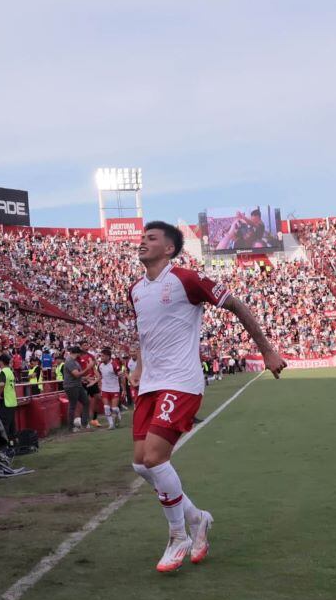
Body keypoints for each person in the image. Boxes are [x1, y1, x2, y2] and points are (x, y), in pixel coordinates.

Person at [128, 221, 286, 573]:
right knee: (140, 464)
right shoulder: (136, 290)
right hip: (152, 383)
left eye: (151, 238)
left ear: (169, 248)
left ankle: (178, 535)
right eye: (142, 238)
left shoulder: (186, 279)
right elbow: (146, 335)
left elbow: (237, 306)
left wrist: (268, 352)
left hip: (182, 382)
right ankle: (197, 519)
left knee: (155, 458)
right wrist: (139, 367)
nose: (143, 242)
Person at [0, 353, 18, 441]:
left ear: (1, 362)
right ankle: (12, 444)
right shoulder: (10, 371)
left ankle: (4, 447)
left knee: (3, 425)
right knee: (11, 425)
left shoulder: (3, 372)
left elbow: (2, 385)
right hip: (12, 401)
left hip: (5, 402)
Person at [62, 347, 90, 432]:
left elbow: (77, 376)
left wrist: (84, 378)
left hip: (77, 385)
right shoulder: (70, 361)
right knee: (72, 406)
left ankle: (84, 423)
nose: (81, 355)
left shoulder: (74, 361)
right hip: (71, 386)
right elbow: (76, 374)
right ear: (77, 353)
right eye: (80, 353)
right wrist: (88, 368)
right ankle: (71, 427)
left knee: (86, 402)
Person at [98, 348, 123, 429]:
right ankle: (111, 424)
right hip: (105, 389)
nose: (101, 358)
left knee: (114, 408)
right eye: (101, 356)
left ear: (108, 357)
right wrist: (100, 385)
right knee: (106, 407)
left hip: (115, 388)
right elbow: (100, 376)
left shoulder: (114, 365)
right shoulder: (100, 365)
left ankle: (118, 412)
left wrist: (124, 389)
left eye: (103, 356)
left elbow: (121, 377)